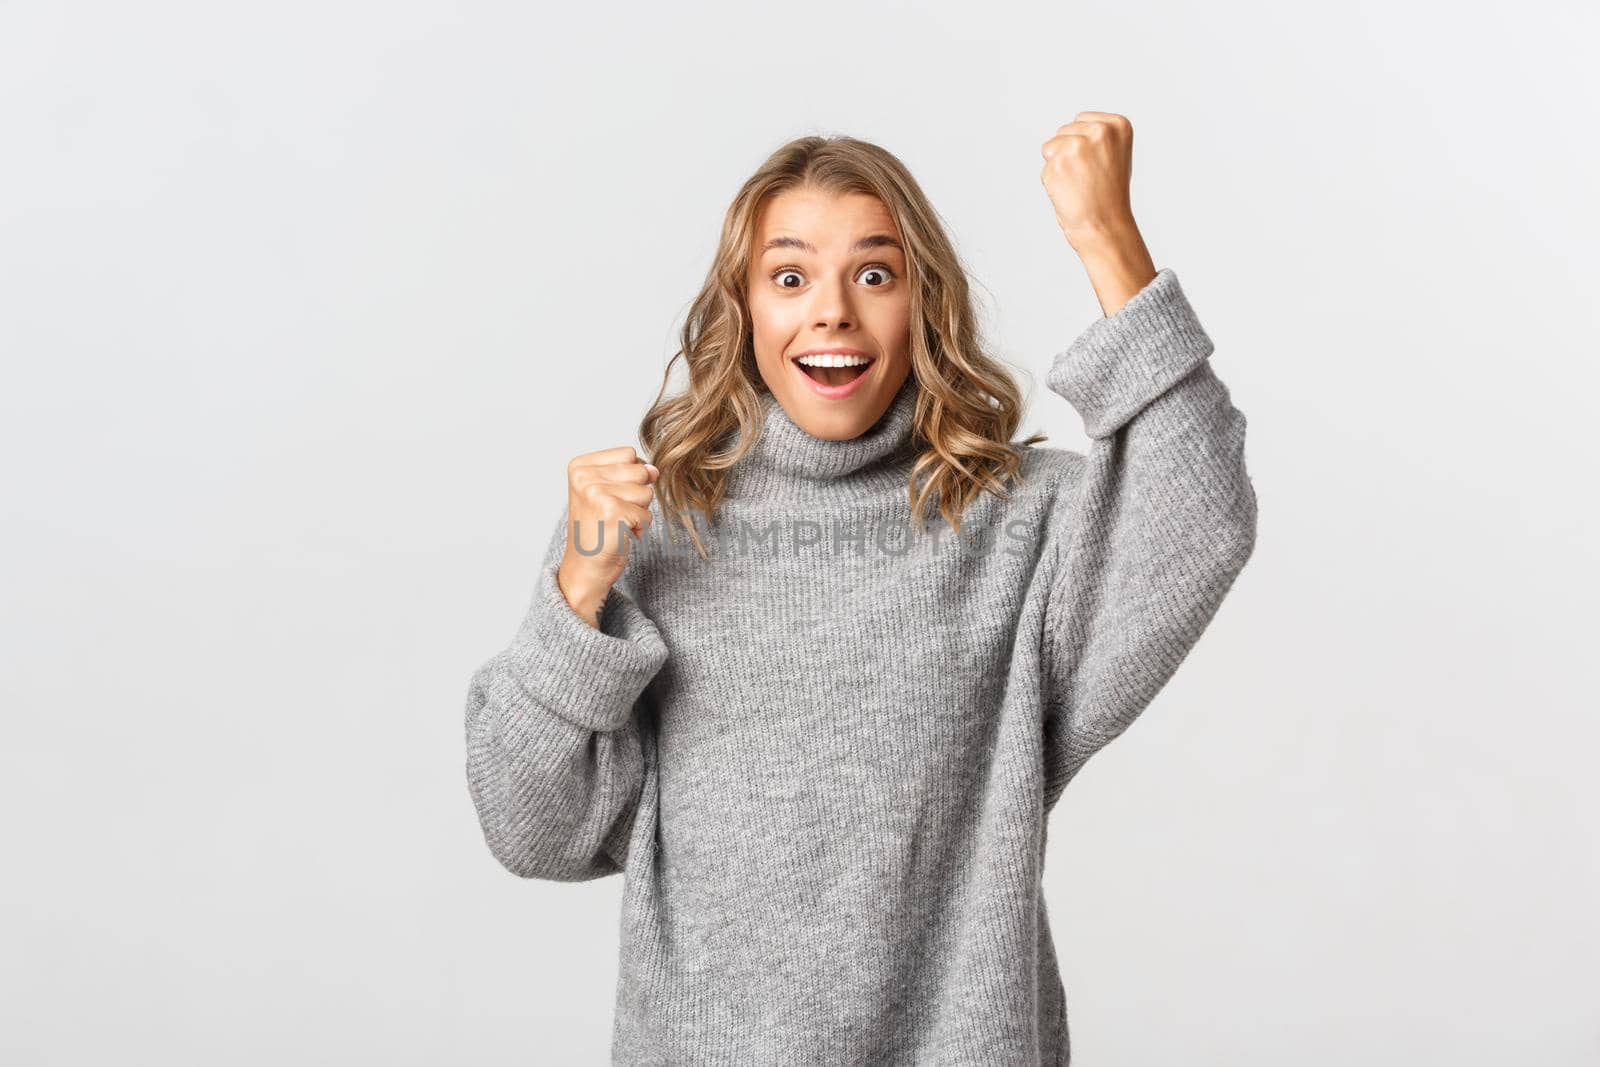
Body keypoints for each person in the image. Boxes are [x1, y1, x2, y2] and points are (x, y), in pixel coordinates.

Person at [463, 113, 1258, 1065]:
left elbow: (1200, 511)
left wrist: (1107, 239)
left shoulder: (1020, 524)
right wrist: (577, 591)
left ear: (921, 305)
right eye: (790, 276)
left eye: (874, 274)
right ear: (743, 308)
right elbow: (531, 831)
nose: (832, 310)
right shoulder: (649, 526)